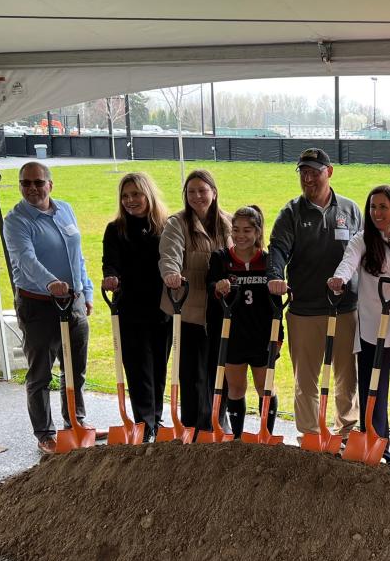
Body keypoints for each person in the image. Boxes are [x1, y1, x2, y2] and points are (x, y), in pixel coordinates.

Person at [327, 185, 390, 462]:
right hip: (373, 329)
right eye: (373, 207)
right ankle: (376, 440)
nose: (376, 213)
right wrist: (339, 280)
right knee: (374, 389)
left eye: (383, 207)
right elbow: (347, 264)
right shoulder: (362, 241)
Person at [267, 148, 363, 442]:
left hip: (345, 307)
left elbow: (364, 251)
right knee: (305, 379)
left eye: (314, 172)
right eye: (303, 173)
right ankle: (309, 434)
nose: (308, 179)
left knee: (347, 376)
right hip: (305, 309)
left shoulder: (350, 210)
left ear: (329, 172)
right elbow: (278, 249)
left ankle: (346, 430)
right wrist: (275, 277)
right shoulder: (291, 213)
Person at [3, 161, 94, 456]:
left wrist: (86, 289)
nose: (32, 188)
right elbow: (26, 260)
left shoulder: (65, 209)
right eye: (25, 183)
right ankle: (45, 433)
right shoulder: (16, 220)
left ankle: (75, 422)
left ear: (50, 185)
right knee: (40, 373)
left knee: (75, 369)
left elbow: (76, 255)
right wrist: (52, 282)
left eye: (38, 182)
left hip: (73, 300)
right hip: (39, 305)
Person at [159, 169, 232, 432]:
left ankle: (215, 422)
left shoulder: (228, 223)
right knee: (190, 372)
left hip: (220, 309)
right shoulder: (177, 223)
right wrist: (171, 274)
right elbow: (170, 253)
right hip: (187, 307)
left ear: (213, 192)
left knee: (219, 368)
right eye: (191, 192)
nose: (197, 196)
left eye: (203, 190)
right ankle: (190, 424)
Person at [101, 172, 172, 439]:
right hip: (130, 309)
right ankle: (144, 422)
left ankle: (156, 417)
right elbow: (110, 262)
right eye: (126, 196)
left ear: (148, 195)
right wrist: (111, 277)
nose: (131, 200)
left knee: (159, 367)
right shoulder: (116, 229)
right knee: (138, 368)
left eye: (136, 194)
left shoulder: (165, 226)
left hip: (162, 308)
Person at [207, 205, 278, 437]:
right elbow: (210, 288)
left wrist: (279, 336)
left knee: (264, 387)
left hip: (261, 335)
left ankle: (266, 435)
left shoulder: (267, 262)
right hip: (233, 334)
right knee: (236, 388)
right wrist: (218, 287)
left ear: (257, 232)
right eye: (236, 230)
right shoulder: (221, 258)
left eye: (247, 230)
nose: (240, 235)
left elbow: (277, 303)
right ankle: (237, 438)